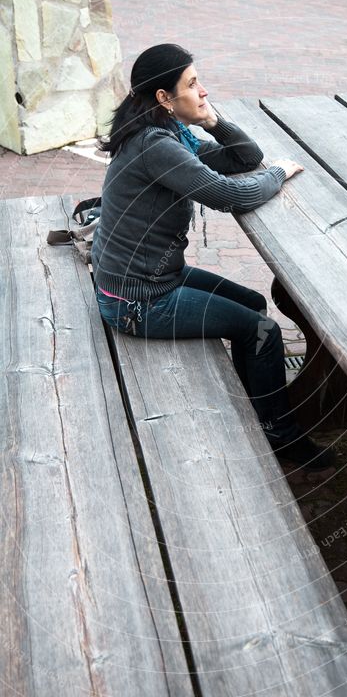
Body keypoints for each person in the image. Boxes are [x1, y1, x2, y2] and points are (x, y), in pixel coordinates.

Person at [93, 43, 334, 469]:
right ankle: (282, 436)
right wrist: (281, 173)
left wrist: (213, 120)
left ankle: (257, 409)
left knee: (255, 306)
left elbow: (244, 158)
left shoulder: (168, 132)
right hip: (138, 301)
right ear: (164, 98)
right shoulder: (156, 147)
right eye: (192, 84)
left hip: (159, 277)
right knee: (262, 331)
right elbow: (232, 194)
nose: (203, 91)